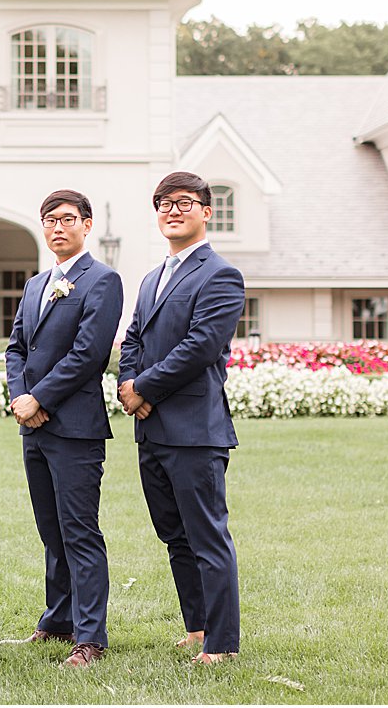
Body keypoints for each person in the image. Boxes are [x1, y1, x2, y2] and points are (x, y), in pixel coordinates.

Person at [117, 170, 246, 664]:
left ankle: (223, 644)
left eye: (185, 202)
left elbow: (200, 347)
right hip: (151, 429)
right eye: (164, 203)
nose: (173, 210)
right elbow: (134, 339)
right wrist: (130, 385)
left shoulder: (220, 274)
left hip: (195, 430)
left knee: (207, 536)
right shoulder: (152, 278)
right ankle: (197, 627)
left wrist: (144, 387)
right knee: (175, 536)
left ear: (206, 212)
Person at [4, 189, 123, 668]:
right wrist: (20, 397)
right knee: (50, 530)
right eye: (50, 220)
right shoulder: (35, 285)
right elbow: (16, 348)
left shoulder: (102, 280)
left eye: (67, 219)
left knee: (79, 531)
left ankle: (90, 637)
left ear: (86, 224)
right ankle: (58, 621)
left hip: (75, 428)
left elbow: (89, 355)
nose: (57, 227)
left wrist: (40, 397)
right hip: (34, 427)